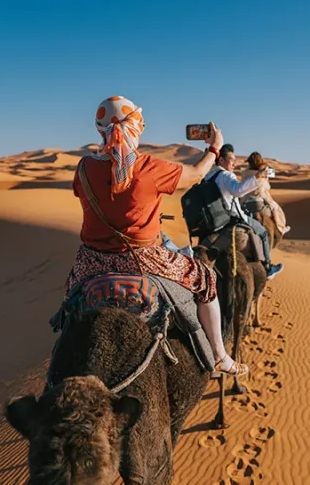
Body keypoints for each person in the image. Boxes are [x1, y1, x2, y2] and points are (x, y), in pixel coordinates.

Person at [66, 96, 247, 377]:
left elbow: (92, 191)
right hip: (144, 258)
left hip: (92, 261)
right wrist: (214, 148)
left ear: (99, 129)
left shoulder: (83, 168)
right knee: (206, 278)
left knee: (70, 299)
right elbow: (197, 174)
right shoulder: (149, 167)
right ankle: (219, 356)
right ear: (135, 127)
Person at [209, 144, 284, 280]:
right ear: (221, 160)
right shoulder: (227, 175)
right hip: (250, 206)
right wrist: (260, 174)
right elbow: (238, 190)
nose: (234, 163)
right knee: (265, 229)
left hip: (223, 213)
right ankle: (267, 266)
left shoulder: (210, 175)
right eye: (232, 160)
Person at [240, 152, 290, 236]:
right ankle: (281, 228)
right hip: (259, 202)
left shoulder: (244, 173)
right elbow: (273, 174)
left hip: (245, 202)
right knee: (276, 210)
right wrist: (264, 166)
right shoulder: (265, 172)